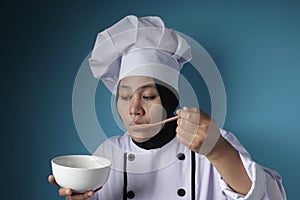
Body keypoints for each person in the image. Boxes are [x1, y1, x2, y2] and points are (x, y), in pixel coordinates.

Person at [49, 15, 286, 200]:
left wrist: (219, 151)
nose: (134, 109)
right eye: (124, 96)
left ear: (170, 101)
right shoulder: (107, 153)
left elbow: (271, 196)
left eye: (149, 96)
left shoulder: (210, 141)